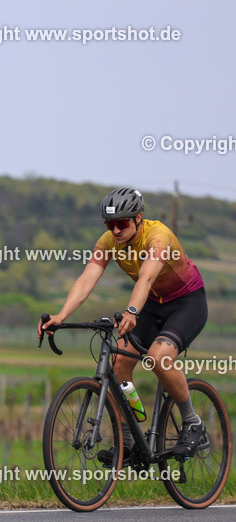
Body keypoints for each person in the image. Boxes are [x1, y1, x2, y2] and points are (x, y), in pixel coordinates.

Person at [40, 187, 207, 461]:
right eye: (110, 224)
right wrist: (61, 316)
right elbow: (87, 278)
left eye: (121, 223)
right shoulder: (108, 241)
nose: (115, 230)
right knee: (118, 362)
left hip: (186, 303)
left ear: (138, 218)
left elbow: (146, 278)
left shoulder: (158, 236)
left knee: (158, 358)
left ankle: (192, 421)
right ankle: (128, 441)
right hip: (152, 304)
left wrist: (131, 310)